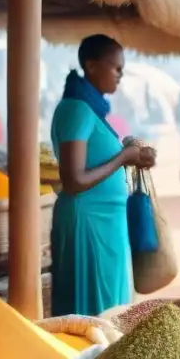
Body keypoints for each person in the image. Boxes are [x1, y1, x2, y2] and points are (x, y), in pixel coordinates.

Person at [49, 34, 156, 317]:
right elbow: (73, 181)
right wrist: (124, 157)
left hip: (106, 224)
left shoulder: (90, 109)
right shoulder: (76, 110)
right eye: (116, 68)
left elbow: (98, 158)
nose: (120, 75)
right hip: (88, 223)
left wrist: (133, 154)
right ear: (92, 65)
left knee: (110, 310)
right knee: (93, 314)